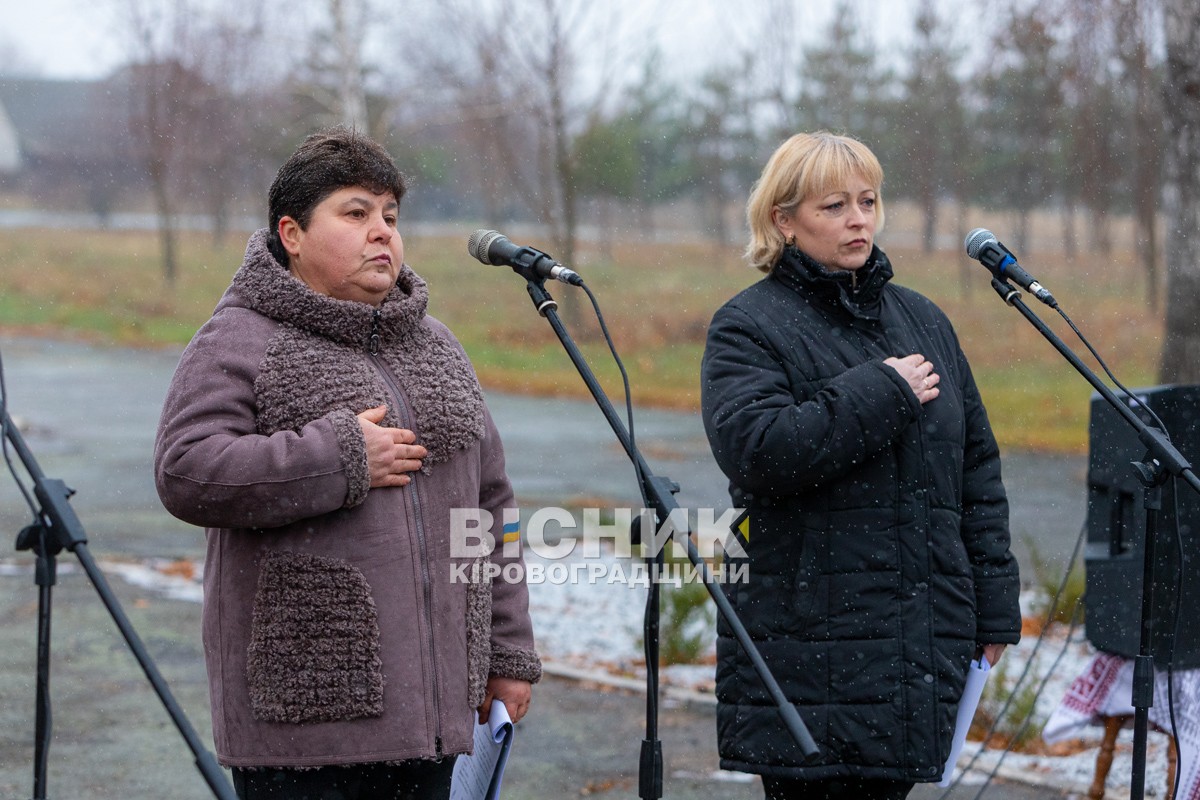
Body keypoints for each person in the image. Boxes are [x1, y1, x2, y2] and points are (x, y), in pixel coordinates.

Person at [154, 127, 541, 800]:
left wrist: (507, 652)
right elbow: (188, 469)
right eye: (356, 213)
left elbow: (493, 507)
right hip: (304, 724)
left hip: (434, 721)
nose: (382, 232)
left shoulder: (437, 345)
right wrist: (338, 457)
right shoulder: (242, 336)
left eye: (391, 215)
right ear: (292, 233)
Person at [700, 131, 1021, 800]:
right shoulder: (749, 325)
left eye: (868, 201)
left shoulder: (923, 321)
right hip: (808, 641)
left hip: (917, 643)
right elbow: (758, 451)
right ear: (783, 221)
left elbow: (975, 473)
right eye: (834, 206)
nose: (858, 220)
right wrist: (882, 392)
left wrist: (994, 607)